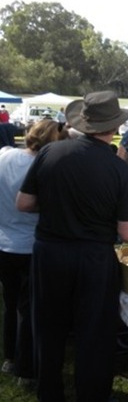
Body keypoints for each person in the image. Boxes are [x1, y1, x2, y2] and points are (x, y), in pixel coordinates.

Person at [16, 90, 128, 402]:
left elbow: (24, 203)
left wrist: (56, 207)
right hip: (93, 259)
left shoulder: (50, 152)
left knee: (49, 328)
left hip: (50, 253)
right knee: (94, 333)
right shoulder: (119, 168)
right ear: (114, 126)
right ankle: (92, 395)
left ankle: (49, 392)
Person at [0, 120, 60, 387]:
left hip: (4, 241)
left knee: (10, 302)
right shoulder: (46, 167)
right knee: (29, 308)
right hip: (29, 244)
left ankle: (10, 357)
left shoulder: (4, 155)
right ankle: (25, 370)